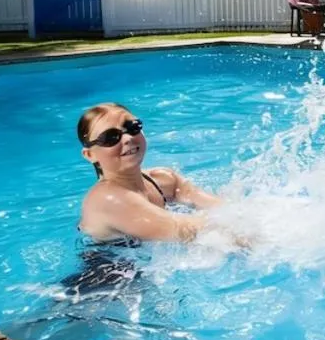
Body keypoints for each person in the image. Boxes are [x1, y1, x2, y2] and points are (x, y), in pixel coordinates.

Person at [76, 102, 224, 245]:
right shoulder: (107, 200)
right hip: (108, 268)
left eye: (132, 127)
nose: (128, 138)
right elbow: (186, 231)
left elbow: (222, 207)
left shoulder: (164, 179)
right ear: (89, 155)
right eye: (110, 137)